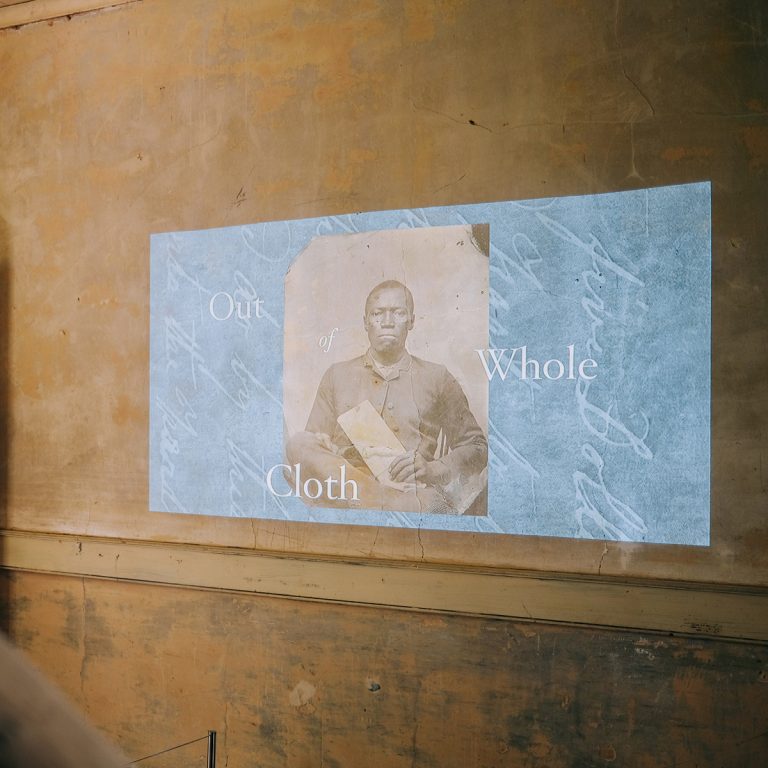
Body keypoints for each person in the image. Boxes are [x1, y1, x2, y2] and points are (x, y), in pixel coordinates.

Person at [286, 280, 488, 514]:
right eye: (378, 313)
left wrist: (431, 470)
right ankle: (378, 500)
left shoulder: (438, 377)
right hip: (348, 485)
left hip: (409, 493)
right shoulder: (336, 375)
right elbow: (312, 443)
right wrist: (326, 444)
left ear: (411, 321)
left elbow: (477, 447)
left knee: (427, 504)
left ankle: (374, 504)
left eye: (398, 313)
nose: (387, 322)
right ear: (366, 323)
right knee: (299, 443)